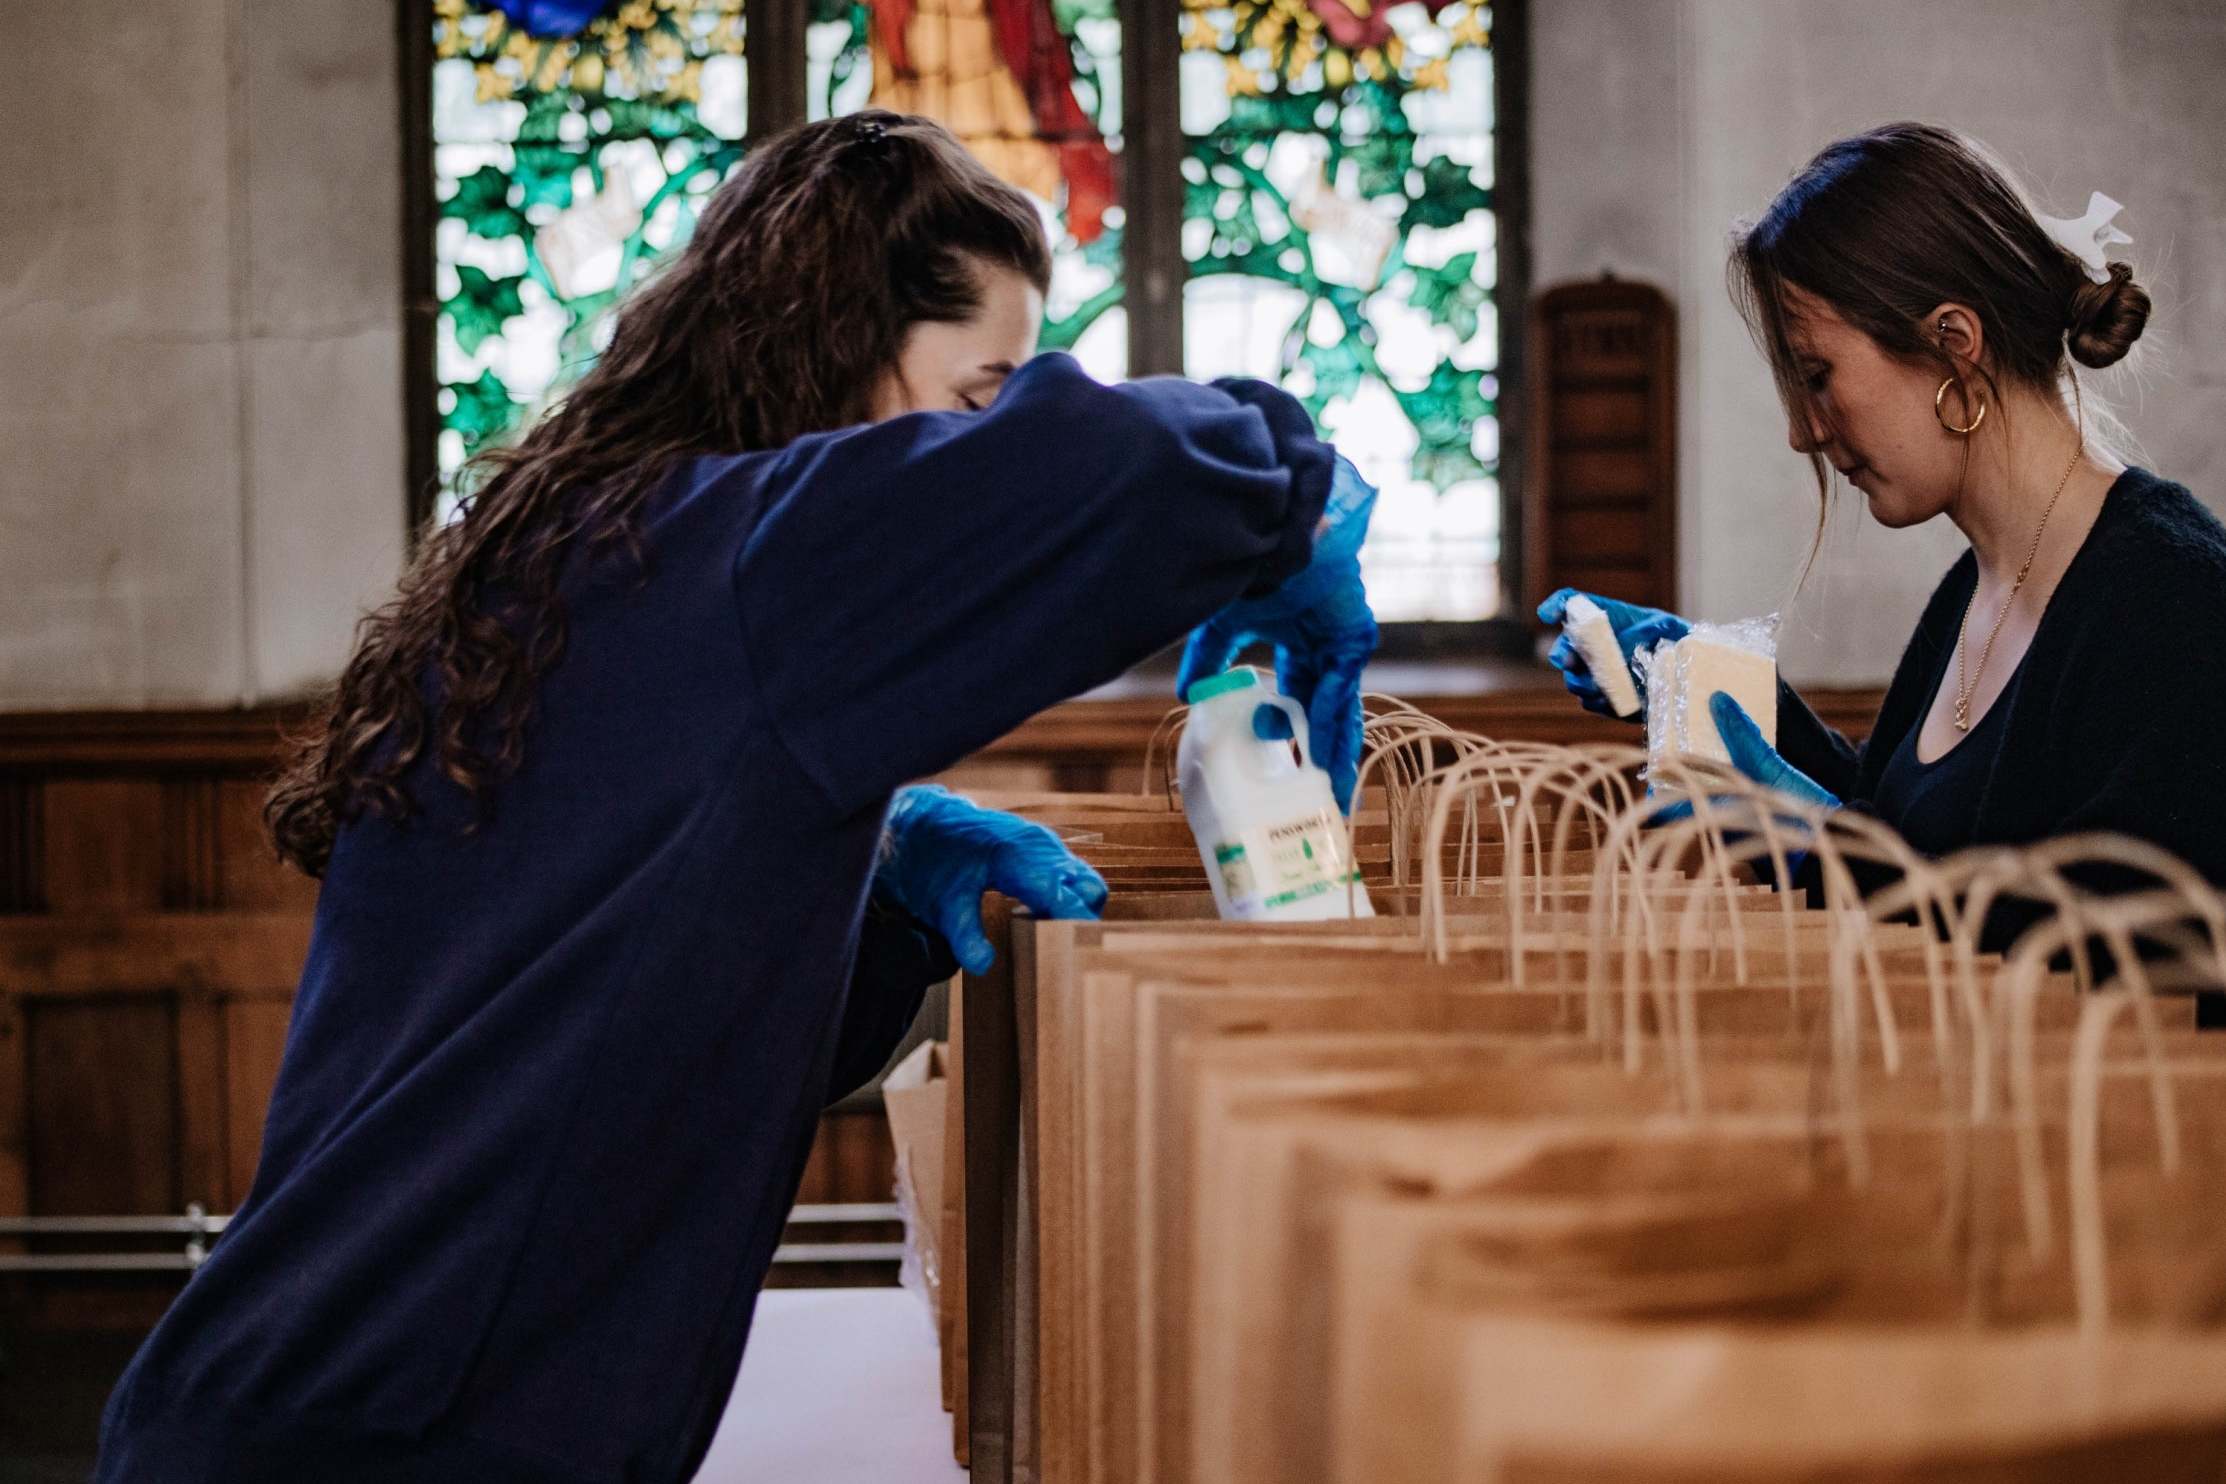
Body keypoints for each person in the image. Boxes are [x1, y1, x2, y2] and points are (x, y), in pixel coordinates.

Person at [95, 111, 1375, 1483]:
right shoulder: (755, 553)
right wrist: (1293, 495)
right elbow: (1132, 469)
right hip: (400, 1429)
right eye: (976, 398)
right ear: (840, 351)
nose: (985, 449)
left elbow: (640, 1030)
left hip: (314, 1393)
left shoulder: (595, 553)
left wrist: (873, 900)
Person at [1542, 122, 2226, 945]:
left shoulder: (2177, 601)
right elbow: (1904, 822)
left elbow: (2117, 957)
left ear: (1952, 345)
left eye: (1818, 376)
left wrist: (1817, 845)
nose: (1804, 432)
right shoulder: (1975, 587)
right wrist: (1717, 693)